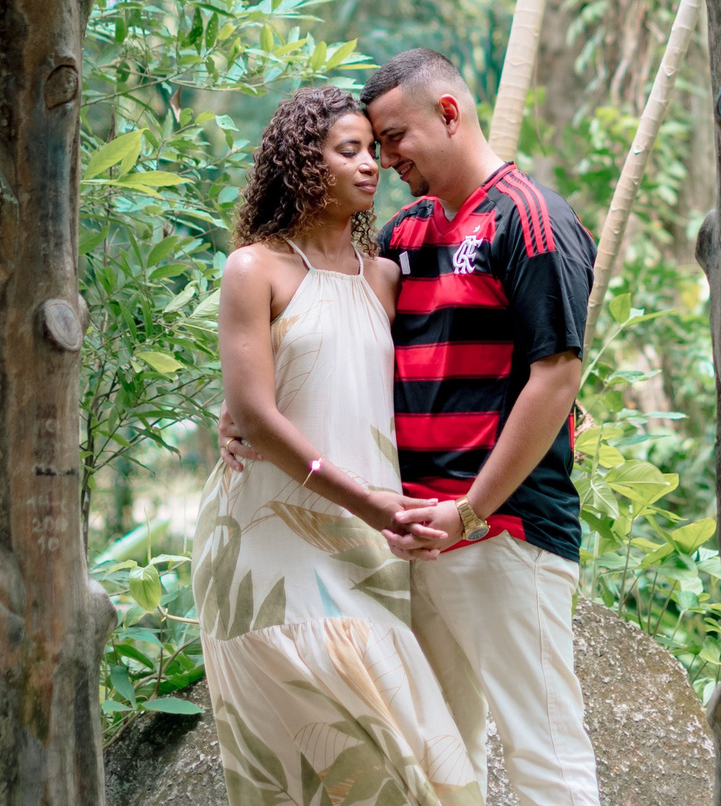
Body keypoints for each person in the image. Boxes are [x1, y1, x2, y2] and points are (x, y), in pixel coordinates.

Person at [227, 49, 602, 806]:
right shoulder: (404, 237)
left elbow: (558, 374)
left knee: (545, 756)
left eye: (393, 137)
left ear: (450, 114)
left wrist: (472, 508)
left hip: (503, 533)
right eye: (368, 143)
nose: (384, 157)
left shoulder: (531, 218)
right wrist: (241, 413)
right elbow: (329, 338)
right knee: (439, 766)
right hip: (407, 542)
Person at [193, 85, 479, 806]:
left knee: (417, 768)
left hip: (370, 549)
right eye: (348, 150)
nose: (371, 165)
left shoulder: (385, 275)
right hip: (269, 542)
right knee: (312, 771)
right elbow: (254, 415)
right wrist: (372, 502)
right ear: (301, 161)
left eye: (374, 151)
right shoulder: (254, 269)